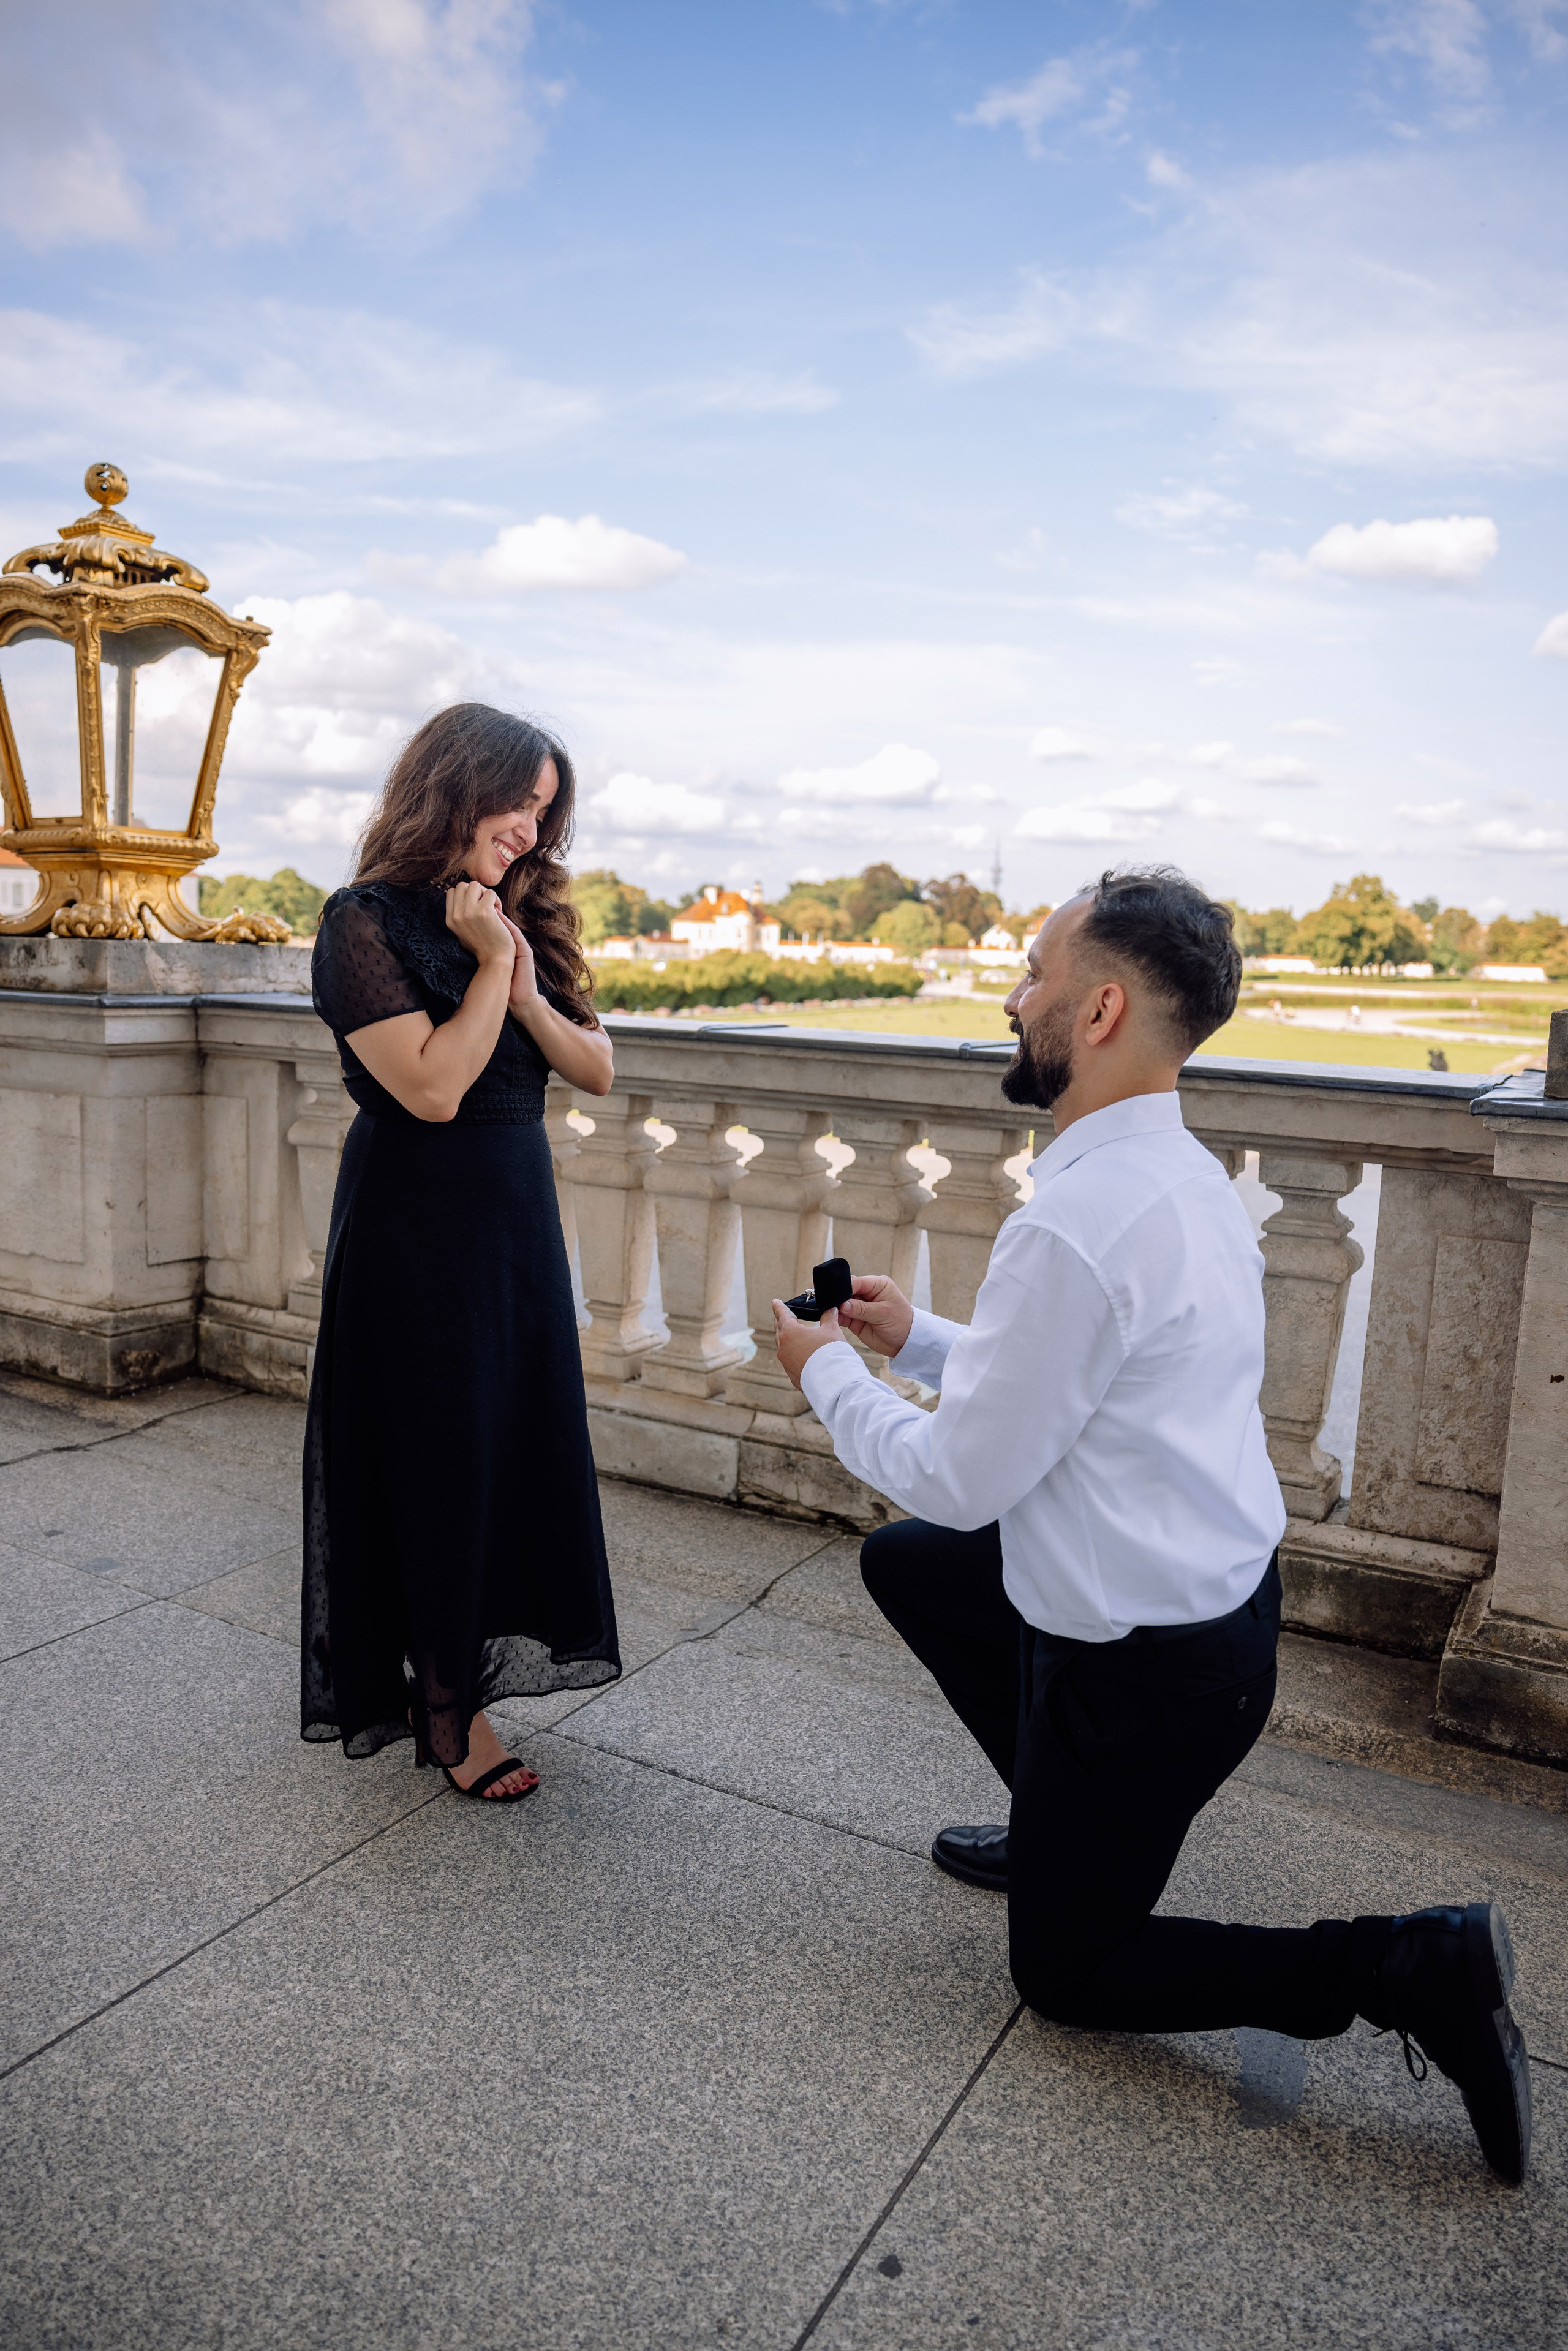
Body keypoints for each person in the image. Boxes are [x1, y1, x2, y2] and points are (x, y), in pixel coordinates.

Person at [771, 866, 1532, 2184]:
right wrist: (920, 1337)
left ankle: (1413, 1961)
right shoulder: (1180, 1177)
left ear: (1102, 1006)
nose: (1014, 999)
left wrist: (823, 1370)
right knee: (912, 1567)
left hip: (1145, 1675)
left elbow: (961, 1477)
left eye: (1033, 976)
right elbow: (1084, 1387)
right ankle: (1057, 1817)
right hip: (1210, 1624)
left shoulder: (1073, 1218)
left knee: (1068, 1971)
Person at [301, 703, 621, 1800]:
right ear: (454, 784)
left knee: (507, 1450)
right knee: (436, 1458)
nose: (532, 832)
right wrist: (491, 969)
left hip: (513, 1230)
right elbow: (432, 1088)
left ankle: (453, 1671)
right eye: (520, 803)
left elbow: (596, 1069)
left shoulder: (525, 919)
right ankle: (452, 1712)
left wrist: (524, 984)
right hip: (413, 1232)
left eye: (545, 812)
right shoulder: (363, 922)